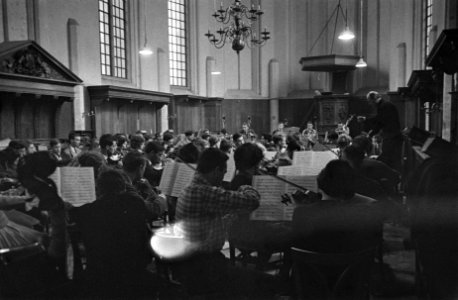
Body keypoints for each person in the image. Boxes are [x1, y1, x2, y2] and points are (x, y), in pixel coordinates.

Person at [173, 148, 280, 298]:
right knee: (268, 283)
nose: (224, 177)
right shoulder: (202, 192)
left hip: (192, 263)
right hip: (203, 268)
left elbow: (212, 221)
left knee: (252, 277)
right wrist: (246, 186)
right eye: (224, 172)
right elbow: (252, 201)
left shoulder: (190, 189)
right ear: (217, 170)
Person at [73, 169, 157, 297]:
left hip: (100, 271)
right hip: (134, 267)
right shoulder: (134, 202)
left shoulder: (86, 211)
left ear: (98, 189)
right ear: (123, 187)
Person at [359, 91, 403, 171]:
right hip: (391, 136)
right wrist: (371, 133)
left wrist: (366, 120)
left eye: (369, 101)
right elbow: (380, 122)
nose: (370, 103)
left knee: (389, 158)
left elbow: (380, 121)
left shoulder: (384, 106)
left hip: (392, 136)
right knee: (388, 157)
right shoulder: (383, 105)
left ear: (374, 99)